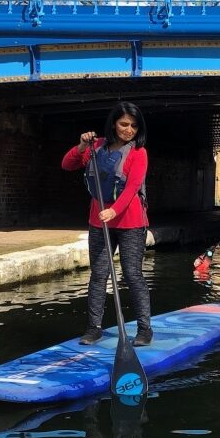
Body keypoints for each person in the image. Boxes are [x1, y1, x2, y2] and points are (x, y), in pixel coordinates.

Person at [62, 101, 152, 346]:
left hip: (131, 222)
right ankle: (94, 328)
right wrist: (81, 145)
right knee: (98, 275)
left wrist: (113, 210)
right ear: (114, 123)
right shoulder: (96, 146)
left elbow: (132, 187)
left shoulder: (138, 153)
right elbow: (67, 164)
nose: (129, 130)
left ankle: (144, 329)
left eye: (134, 126)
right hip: (98, 221)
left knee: (133, 275)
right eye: (124, 124)